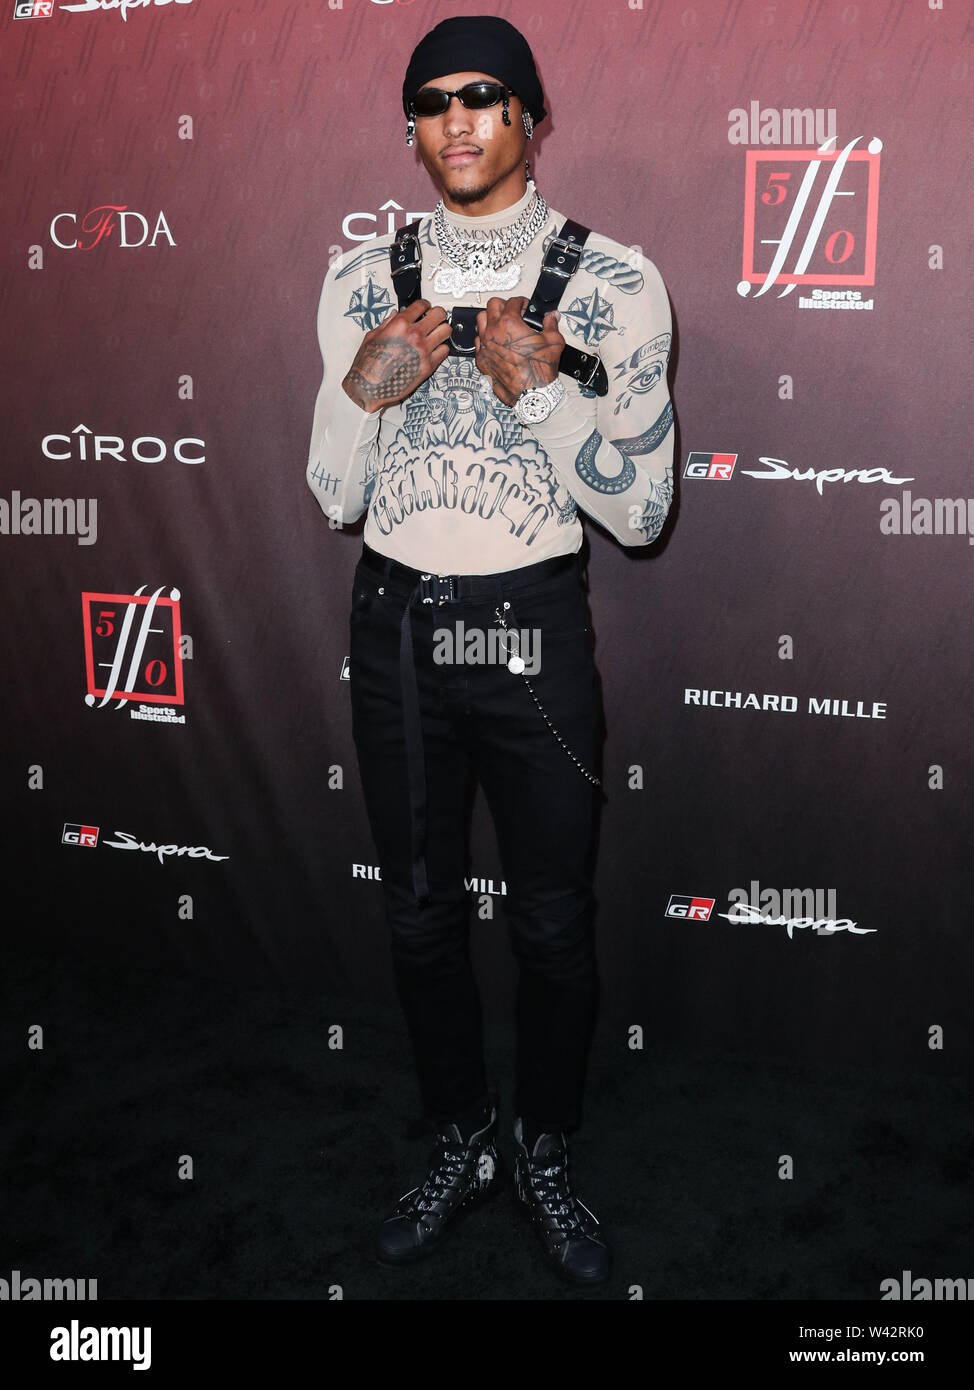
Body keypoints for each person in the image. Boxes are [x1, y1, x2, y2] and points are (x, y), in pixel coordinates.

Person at [306, 14, 675, 1289]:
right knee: (415, 916)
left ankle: (543, 1145)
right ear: (409, 129)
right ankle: (461, 1136)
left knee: (552, 925)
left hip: (529, 629)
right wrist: (359, 389)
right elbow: (329, 496)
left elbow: (641, 512)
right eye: (429, 101)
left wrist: (553, 392)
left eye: (481, 95)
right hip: (399, 627)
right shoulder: (361, 278)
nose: (455, 119)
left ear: (528, 113)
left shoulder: (617, 284)